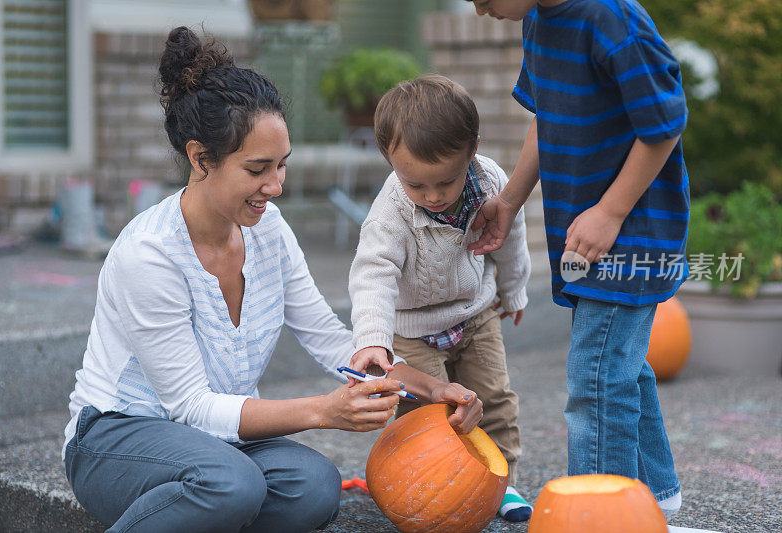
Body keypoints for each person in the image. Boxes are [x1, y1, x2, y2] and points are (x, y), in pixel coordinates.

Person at [62, 27, 483, 533]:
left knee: (314, 488)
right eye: (258, 169)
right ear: (200, 159)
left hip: (217, 444)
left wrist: (429, 388)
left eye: (281, 166)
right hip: (116, 438)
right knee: (230, 484)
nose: (276, 186)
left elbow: (331, 341)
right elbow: (191, 408)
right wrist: (324, 412)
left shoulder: (269, 232)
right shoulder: (149, 256)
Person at [464, 0, 688, 517]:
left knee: (597, 379)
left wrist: (610, 211)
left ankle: (599, 514)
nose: (480, 10)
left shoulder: (613, 21)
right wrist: (510, 201)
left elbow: (665, 124)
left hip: (634, 233)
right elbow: (547, 117)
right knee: (619, 368)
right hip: (592, 235)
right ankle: (655, 496)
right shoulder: (540, 19)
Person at [347, 75, 533, 522]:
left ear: (472, 150)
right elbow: (373, 273)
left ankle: (499, 482)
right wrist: (372, 339)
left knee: (493, 398)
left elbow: (510, 236)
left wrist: (513, 289)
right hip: (411, 328)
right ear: (391, 162)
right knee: (430, 415)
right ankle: (423, 484)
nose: (432, 196)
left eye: (445, 183)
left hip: (475, 313)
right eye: (416, 185)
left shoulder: (491, 182)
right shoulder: (390, 212)